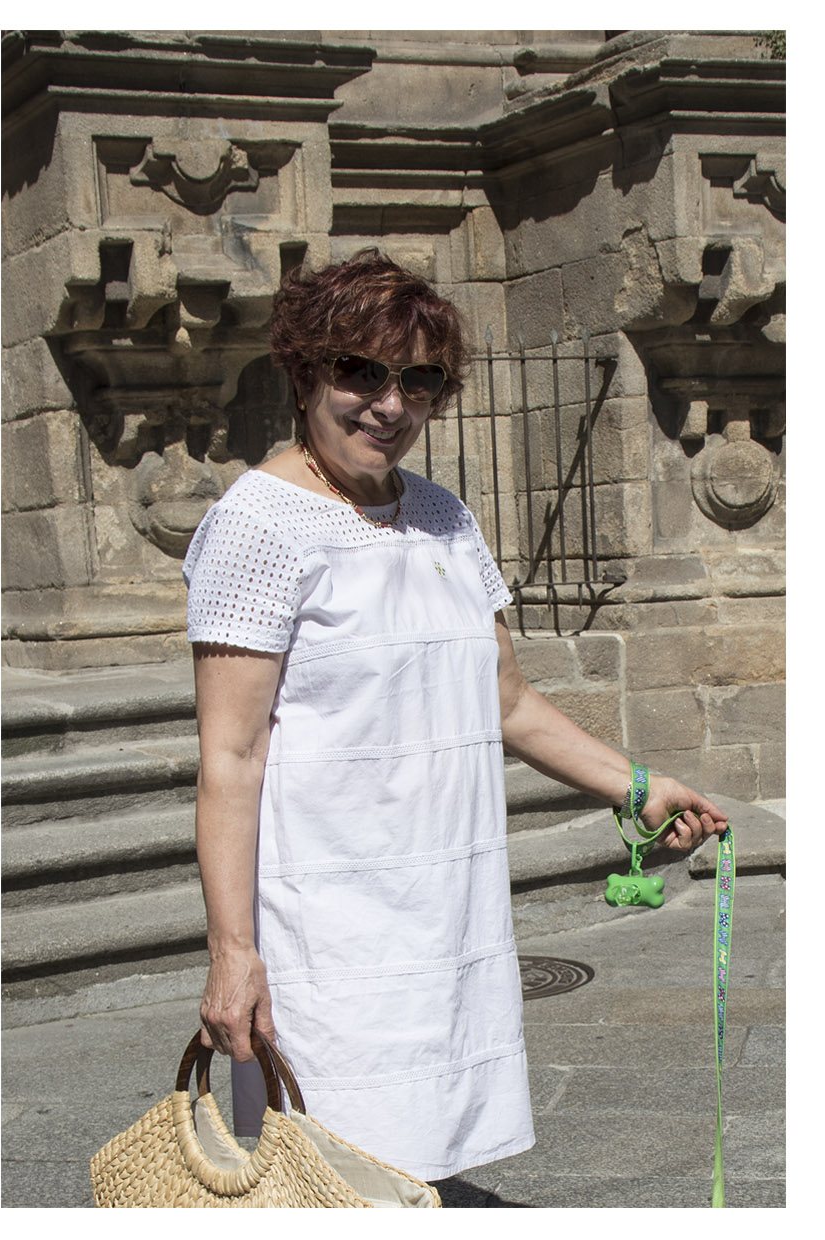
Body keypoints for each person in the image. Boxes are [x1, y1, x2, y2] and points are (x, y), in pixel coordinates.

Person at [182, 249, 727, 1181]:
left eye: (420, 381)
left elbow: (504, 698)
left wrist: (635, 785)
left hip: (445, 903)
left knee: (419, 1158)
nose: (389, 405)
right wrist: (233, 954)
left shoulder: (441, 514)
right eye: (360, 372)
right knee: (327, 1165)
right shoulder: (258, 524)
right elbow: (229, 756)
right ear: (305, 369)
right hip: (331, 916)